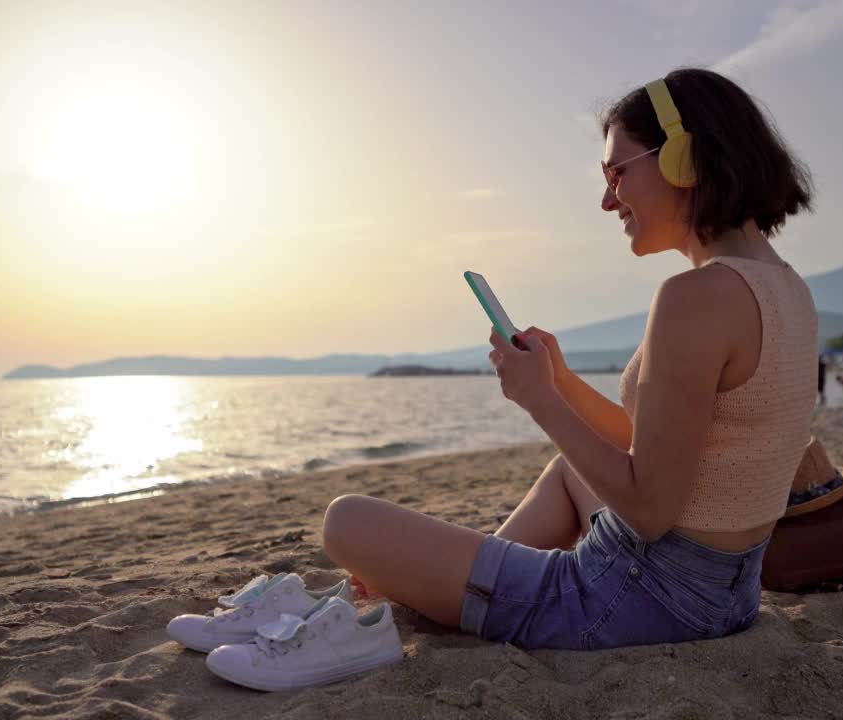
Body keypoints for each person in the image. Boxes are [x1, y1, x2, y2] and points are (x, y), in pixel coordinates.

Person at [322, 68, 817, 650]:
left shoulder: (694, 298)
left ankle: (455, 590)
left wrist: (539, 402)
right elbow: (656, 445)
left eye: (616, 172)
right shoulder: (784, 286)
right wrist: (562, 382)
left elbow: (650, 510)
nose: (609, 199)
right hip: (728, 592)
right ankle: (455, 585)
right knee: (569, 473)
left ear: (684, 157)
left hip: (641, 596)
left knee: (345, 520)